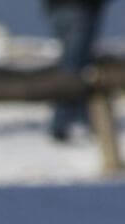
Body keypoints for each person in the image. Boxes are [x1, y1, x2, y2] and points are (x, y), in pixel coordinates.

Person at [43, 0, 109, 141]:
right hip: (81, 7)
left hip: (58, 7)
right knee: (75, 65)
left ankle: (78, 117)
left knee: (73, 62)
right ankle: (67, 121)